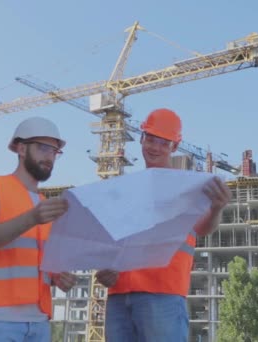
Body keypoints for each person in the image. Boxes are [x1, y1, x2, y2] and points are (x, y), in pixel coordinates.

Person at [96, 108, 232, 342]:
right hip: (119, 295)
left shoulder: (186, 187)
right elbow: (115, 241)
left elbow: (202, 228)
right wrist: (104, 267)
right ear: (141, 139)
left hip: (162, 295)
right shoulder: (127, 189)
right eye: (150, 139)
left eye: (163, 142)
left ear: (174, 147)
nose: (154, 147)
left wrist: (217, 209)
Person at [0, 117, 77, 341]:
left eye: (54, 151)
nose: (49, 156)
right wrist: (32, 217)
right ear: (21, 148)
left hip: (39, 322)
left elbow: (32, 262)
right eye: (43, 148)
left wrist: (57, 276)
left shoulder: (44, 206)